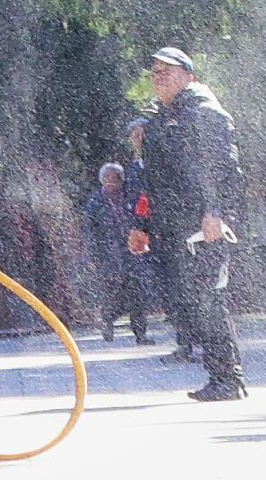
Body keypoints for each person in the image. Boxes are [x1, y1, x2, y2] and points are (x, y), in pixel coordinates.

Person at [136, 49, 247, 398]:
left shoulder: (204, 112)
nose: (159, 77)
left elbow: (225, 169)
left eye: (167, 71)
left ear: (188, 75)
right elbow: (152, 181)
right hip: (175, 227)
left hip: (204, 224)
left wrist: (216, 212)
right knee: (192, 300)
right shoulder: (158, 121)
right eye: (154, 72)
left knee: (208, 298)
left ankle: (228, 379)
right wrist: (142, 225)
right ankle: (221, 376)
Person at [89, 156, 154, 341]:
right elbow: (91, 231)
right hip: (108, 254)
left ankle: (141, 334)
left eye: (114, 178)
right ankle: (107, 324)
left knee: (137, 293)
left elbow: (141, 219)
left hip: (131, 252)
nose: (110, 182)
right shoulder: (95, 202)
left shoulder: (131, 197)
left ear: (121, 180)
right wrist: (94, 256)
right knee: (112, 294)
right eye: (106, 178)